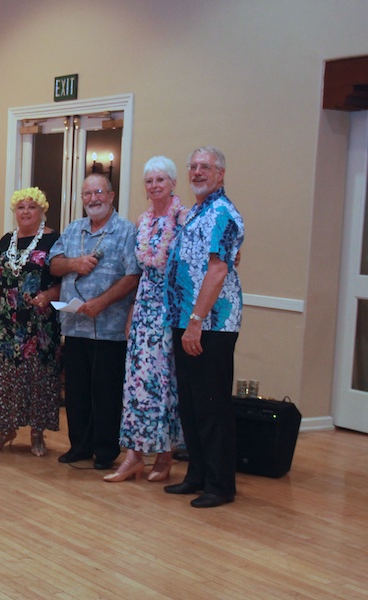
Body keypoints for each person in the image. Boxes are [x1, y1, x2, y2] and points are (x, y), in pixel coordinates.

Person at [164, 146, 244, 508]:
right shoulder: (196, 212)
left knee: (211, 405)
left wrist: (196, 322)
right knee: (191, 404)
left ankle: (220, 484)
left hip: (211, 323)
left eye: (205, 167)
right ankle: (196, 473)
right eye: (193, 166)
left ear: (220, 174)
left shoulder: (224, 214)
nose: (197, 172)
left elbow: (217, 270)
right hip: (185, 319)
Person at [49, 173, 141, 470]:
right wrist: (74, 263)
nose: (93, 199)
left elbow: (133, 276)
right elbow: (53, 264)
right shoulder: (74, 229)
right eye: (87, 194)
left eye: (98, 192)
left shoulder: (126, 231)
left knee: (106, 391)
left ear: (111, 196)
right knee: (76, 391)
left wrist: (102, 302)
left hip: (109, 328)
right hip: (75, 324)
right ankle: (79, 446)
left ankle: (105, 451)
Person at [104, 157, 187, 483]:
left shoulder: (183, 219)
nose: (154, 186)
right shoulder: (145, 221)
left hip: (170, 311)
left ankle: (164, 456)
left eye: (160, 180)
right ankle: (134, 456)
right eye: (149, 181)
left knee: (165, 385)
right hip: (144, 311)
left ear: (172, 184)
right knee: (137, 385)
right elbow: (141, 274)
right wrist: (132, 315)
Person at [0, 187, 62, 456]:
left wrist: (49, 295)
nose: (26, 212)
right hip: (9, 323)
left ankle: (37, 433)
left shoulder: (53, 240)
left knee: (39, 376)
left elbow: (65, 281)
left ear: (42, 211)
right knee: (8, 376)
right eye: (21, 207)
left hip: (40, 323)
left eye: (32, 207)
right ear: (14, 212)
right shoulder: (7, 240)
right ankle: (7, 429)